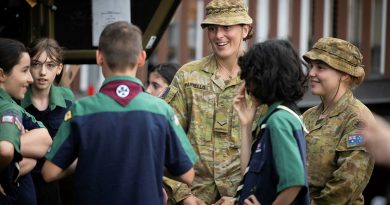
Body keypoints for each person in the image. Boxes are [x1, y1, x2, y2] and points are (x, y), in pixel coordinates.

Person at [41, 21, 196, 205]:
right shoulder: (161, 111)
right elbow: (188, 175)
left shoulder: (81, 110)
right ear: (142, 58)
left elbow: (49, 172)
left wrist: (88, 158)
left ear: (99, 57)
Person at [162, 0, 266, 204]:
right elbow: (165, 136)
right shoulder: (188, 76)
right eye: (212, 28)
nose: (218, 35)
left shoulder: (261, 79)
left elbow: (270, 148)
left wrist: (239, 198)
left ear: (245, 30)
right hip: (193, 197)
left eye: (227, 27)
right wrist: (182, 194)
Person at [215, 40, 310, 205]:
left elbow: (294, 182)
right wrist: (246, 124)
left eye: (251, 76)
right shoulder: (278, 116)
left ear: (265, 77)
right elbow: (250, 172)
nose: (246, 85)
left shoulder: (278, 120)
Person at [302, 37, 375, 204]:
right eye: (311, 66)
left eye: (320, 67)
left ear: (344, 74)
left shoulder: (358, 119)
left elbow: (347, 184)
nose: (311, 73)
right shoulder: (308, 116)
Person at [20, 38, 74, 205]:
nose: (42, 72)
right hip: (23, 179)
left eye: (50, 65)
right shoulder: (17, 98)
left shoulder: (67, 99)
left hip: (56, 183)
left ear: (59, 68)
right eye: (36, 64)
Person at [0, 37, 52, 204]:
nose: (31, 78)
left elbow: (45, 141)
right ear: (2, 74)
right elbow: (6, 150)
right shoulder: (9, 108)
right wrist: (18, 153)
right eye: (24, 70)